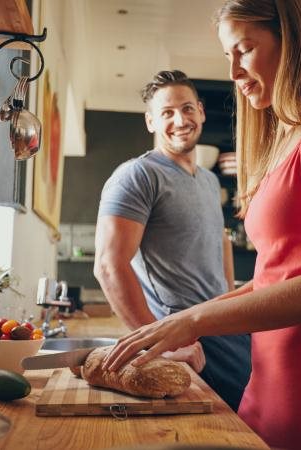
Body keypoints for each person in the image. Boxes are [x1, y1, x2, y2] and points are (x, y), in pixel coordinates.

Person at [101, 1, 301, 449]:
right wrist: (180, 324)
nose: (234, 71)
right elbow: (273, 277)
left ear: (291, 42)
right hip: (267, 379)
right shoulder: (284, 141)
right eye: (227, 55)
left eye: (245, 49)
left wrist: (191, 320)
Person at [94, 70, 252, 412]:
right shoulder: (138, 175)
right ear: (150, 122)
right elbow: (109, 266)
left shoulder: (209, 181)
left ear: (201, 112)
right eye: (167, 113)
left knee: (254, 426)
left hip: (226, 329)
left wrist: (227, 304)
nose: (180, 120)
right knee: (217, 434)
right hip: (185, 337)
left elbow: (220, 239)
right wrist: (159, 345)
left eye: (187, 108)